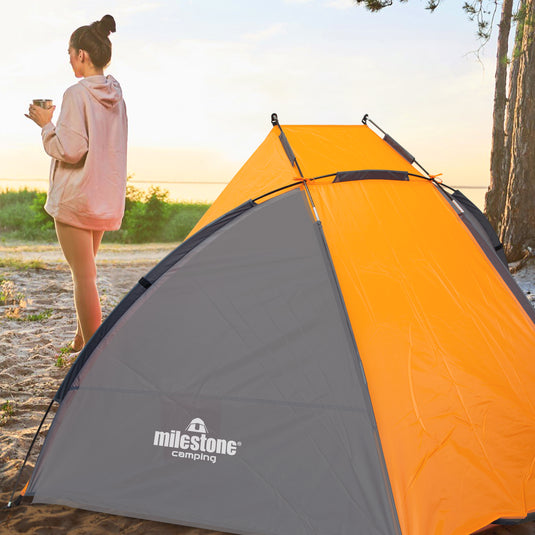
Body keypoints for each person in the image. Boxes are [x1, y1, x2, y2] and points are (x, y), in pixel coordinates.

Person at [26, 14, 128, 352]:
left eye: (70, 54)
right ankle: (82, 338)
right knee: (88, 274)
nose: (69, 60)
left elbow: (70, 150)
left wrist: (45, 124)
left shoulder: (76, 94)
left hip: (75, 199)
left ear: (82, 54)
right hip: (102, 198)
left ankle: (91, 353)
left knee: (83, 278)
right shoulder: (116, 96)